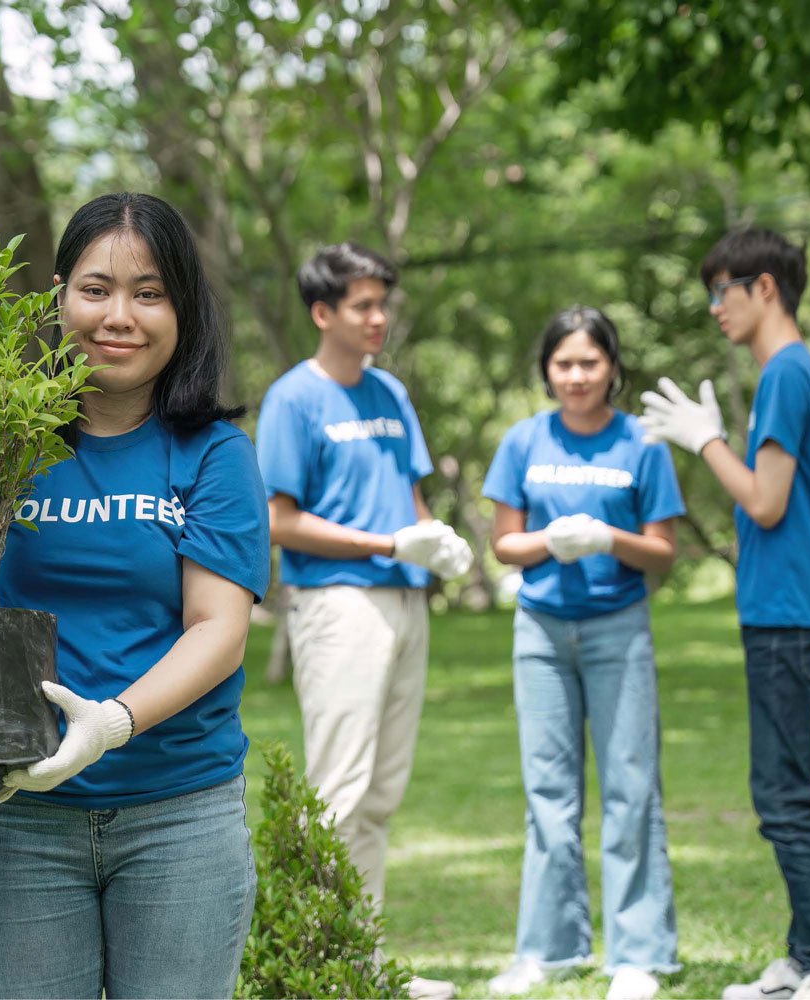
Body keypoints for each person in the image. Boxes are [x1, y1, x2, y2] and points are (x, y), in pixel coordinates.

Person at [0, 193, 270, 999]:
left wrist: (111, 722)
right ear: (57, 297)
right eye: (95, 289)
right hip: (20, 813)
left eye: (149, 292)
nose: (118, 316)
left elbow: (217, 629)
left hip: (179, 816)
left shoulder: (214, 455)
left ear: (182, 309)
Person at [253, 242, 473, 1000]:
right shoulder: (293, 398)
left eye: (383, 304)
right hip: (338, 603)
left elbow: (410, 501)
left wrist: (435, 542)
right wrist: (387, 543)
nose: (378, 318)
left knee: (379, 795)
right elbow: (278, 521)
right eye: (362, 306)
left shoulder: (389, 394)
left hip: (406, 601)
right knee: (338, 792)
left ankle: (359, 960)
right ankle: (316, 966)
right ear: (323, 313)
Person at [640, 229, 810, 1000]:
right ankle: (801, 958)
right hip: (792, 610)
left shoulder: (784, 375)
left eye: (719, 291)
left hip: (789, 613)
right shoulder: (793, 373)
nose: (712, 308)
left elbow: (763, 502)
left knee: (781, 792)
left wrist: (703, 442)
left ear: (762, 288)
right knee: (783, 785)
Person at [480, 307, 684, 1000]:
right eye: (562, 363)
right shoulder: (522, 441)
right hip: (539, 630)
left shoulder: (641, 443)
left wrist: (606, 538)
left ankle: (639, 953)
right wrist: (548, 542)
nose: (574, 376)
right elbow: (502, 541)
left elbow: (662, 550)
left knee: (630, 789)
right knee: (547, 795)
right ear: (545, 370)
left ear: (611, 368)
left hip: (617, 629)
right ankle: (547, 949)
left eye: (588, 363)